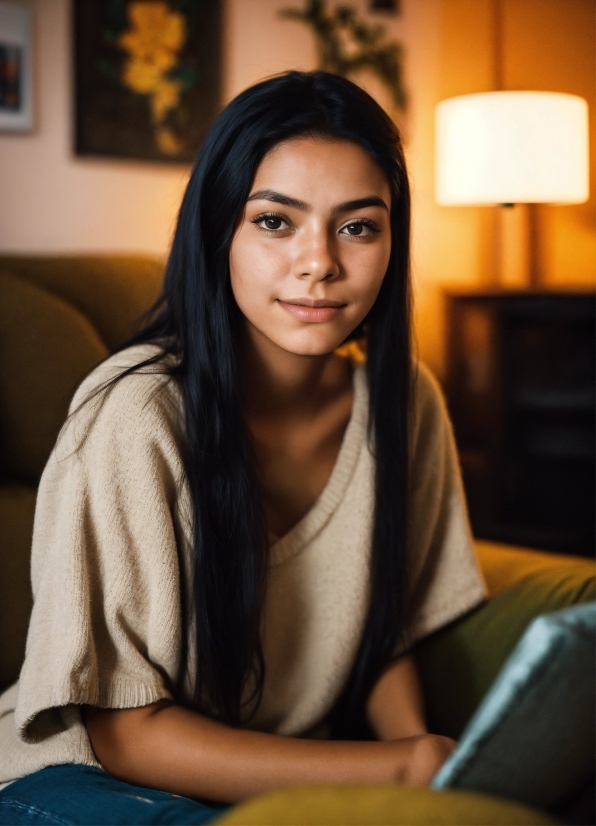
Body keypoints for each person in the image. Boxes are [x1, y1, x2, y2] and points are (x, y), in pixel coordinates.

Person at [0, 71, 485, 825]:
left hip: (275, 782)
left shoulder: (405, 402)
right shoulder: (136, 414)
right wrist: (397, 766)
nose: (319, 261)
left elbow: (381, 627)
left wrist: (425, 776)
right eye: (275, 222)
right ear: (218, 229)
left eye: (358, 226)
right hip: (75, 781)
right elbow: (126, 735)